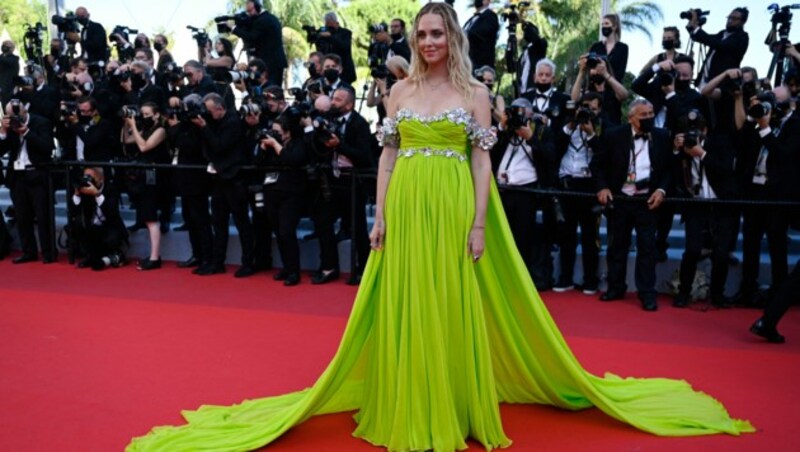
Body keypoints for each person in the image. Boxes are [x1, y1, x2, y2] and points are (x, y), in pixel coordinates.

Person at [127, 4, 754, 451]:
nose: (428, 41)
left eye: (436, 32)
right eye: (422, 33)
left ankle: (451, 404)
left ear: (450, 35)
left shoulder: (474, 91)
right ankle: (407, 401)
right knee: (407, 298)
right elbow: (390, 157)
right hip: (407, 203)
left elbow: (483, 157)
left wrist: (480, 222)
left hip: (454, 203)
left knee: (451, 300)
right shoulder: (397, 95)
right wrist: (381, 213)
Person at [592, 98, 671, 311]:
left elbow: (668, 170)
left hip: (648, 201)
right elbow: (597, 165)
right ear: (631, 118)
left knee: (647, 248)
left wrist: (661, 190)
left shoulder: (663, 136)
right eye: (643, 115)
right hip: (620, 200)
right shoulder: (613, 135)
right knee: (617, 246)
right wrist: (603, 187)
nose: (649, 118)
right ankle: (616, 287)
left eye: (651, 114)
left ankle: (647, 293)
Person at [121, 102, 168, 270]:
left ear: (156, 115)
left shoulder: (161, 130)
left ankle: (155, 257)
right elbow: (127, 140)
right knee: (147, 217)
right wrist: (127, 124)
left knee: (151, 218)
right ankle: (153, 255)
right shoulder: (146, 130)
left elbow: (143, 147)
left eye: (147, 114)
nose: (144, 117)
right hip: (143, 177)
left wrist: (134, 125)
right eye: (142, 114)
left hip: (153, 177)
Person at [70, 167, 127, 270]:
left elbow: (112, 213)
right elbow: (74, 212)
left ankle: (109, 254)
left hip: (109, 227)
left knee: (112, 237)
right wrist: (77, 195)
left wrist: (97, 194)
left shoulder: (111, 189)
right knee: (77, 223)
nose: (87, 180)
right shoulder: (84, 188)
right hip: (92, 227)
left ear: (101, 179)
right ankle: (89, 256)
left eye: (91, 177)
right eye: (85, 177)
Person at [588, 13, 629, 83]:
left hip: (613, 89)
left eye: (606, 24)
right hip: (595, 87)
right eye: (602, 24)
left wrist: (604, 73)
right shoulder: (596, 46)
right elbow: (590, 69)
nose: (604, 26)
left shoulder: (623, 48)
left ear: (614, 26)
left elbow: (620, 74)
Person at [463, 0, 499, 70]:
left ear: (488, 1)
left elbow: (478, 34)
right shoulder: (471, 19)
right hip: (466, 64)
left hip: (480, 66)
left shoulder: (491, 16)